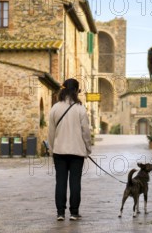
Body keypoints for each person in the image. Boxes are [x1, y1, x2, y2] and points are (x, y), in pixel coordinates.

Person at [48, 78, 92, 221]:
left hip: (59, 151)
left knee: (60, 182)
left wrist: (52, 150)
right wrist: (88, 148)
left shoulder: (55, 108)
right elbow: (86, 131)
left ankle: (60, 213)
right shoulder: (80, 109)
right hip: (77, 152)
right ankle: (74, 212)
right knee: (75, 182)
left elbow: (51, 132)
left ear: (63, 90)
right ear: (76, 91)